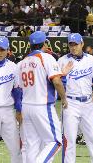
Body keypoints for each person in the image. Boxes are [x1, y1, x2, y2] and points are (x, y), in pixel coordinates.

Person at [17, 31, 68, 162]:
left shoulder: (22, 62)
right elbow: (56, 81)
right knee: (56, 141)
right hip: (42, 106)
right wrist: (64, 98)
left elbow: (18, 89)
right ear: (44, 43)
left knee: (32, 145)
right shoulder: (46, 57)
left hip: (27, 106)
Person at [58, 33, 93, 163]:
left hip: (87, 104)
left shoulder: (91, 59)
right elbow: (56, 84)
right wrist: (63, 75)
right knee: (70, 140)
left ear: (82, 44)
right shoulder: (62, 61)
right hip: (70, 103)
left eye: (76, 44)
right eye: (71, 44)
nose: (73, 47)